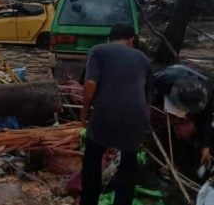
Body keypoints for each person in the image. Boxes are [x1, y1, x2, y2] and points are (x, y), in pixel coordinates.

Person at [80, 24, 153, 205]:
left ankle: (89, 201)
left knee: (93, 160)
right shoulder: (144, 58)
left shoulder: (98, 50)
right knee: (128, 165)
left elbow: (90, 84)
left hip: (106, 112)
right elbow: (147, 101)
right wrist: (143, 127)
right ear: (130, 39)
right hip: (136, 117)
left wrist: (84, 112)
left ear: (110, 38)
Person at [153, 64, 212, 167]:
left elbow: (205, 119)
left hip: (190, 85)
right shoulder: (164, 80)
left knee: (187, 129)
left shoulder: (209, 96)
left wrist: (205, 146)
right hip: (165, 93)